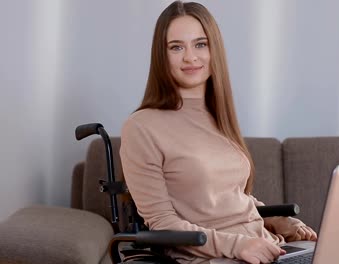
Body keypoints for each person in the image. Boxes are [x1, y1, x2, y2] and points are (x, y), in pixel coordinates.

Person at [120, 1, 317, 263]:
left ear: (214, 50)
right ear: (162, 55)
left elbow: (230, 197)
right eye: (177, 47)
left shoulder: (219, 116)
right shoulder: (142, 127)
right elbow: (162, 222)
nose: (191, 57)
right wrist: (239, 245)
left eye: (200, 44)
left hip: (266, 248)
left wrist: (278, 220)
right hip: (214, 257)